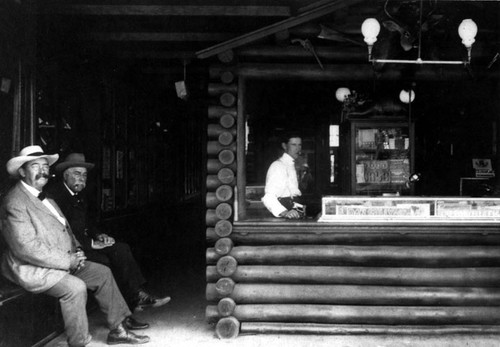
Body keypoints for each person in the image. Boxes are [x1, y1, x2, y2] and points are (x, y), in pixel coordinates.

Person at [0, 145, 150, 346]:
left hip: (61, 261)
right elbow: (26, 248)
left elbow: (67, 229)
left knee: (102, 273)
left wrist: (78, 250)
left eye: (45, 166)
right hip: (33, 268)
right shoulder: (14, 202)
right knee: (76, 288)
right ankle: (78, 342)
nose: (42, 171)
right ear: (21, 171)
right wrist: (68, 260)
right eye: (35, 166)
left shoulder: (47, 198)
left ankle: (118, 330)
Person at [47, 153, 170, 312]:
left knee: (121, 249)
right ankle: (127, 310)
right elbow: (62, 231)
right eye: (77, 174)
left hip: (86, 243)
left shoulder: (80, 193)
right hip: (70, 250)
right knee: (107, 262)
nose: (81, 179)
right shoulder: (56, 196)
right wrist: (92, 244)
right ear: (65, 175)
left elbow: (88, 223)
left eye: (84, 175)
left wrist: (99, 235)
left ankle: (136, 297)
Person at [262, 134, 304, 219]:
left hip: (295, 210)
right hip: (284, 215)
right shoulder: (278, 166)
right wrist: (285, 213)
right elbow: (268, 197)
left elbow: (295, 194)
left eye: (299, 145)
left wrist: (298, 211)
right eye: (293, 145)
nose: (298, 148)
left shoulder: (294, 165)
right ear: (284, 146)